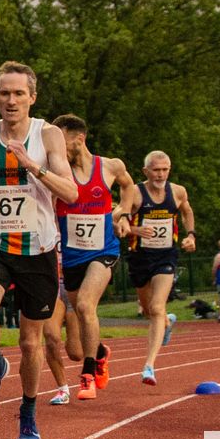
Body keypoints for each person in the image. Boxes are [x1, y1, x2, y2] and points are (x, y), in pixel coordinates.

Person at [0, 61, 79, 439]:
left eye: (18, 93)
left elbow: (71, 192)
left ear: (32, 97)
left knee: (30, 344)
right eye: (4, 93)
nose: (11, 100)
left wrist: (32, 167)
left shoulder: (49, 136)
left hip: (38, 249)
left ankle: (28, 410)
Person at [49, 115, 134, 400]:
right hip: (72, 257)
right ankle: (99, 352)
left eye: (61, 142)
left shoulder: (110, 166)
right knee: (83, 314)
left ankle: (87, 375)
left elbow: (128, 186)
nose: (56, 150)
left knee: (85, 305)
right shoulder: (59, 176)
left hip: (104, 251)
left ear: (79, 139)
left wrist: (123, 213)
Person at [121, 150, 195, 385]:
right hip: (140, 258)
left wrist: (191, 235)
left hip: (166, 256)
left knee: (156, 307)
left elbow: (187, 211)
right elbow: (116, 220)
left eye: (165, 170)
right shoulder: (135, 193)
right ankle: (167, 323)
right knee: (148, 310)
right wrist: (134, 229)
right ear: (146, 171)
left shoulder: (178, 191)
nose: (161, 174)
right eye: (156, 170)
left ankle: (149, 366)